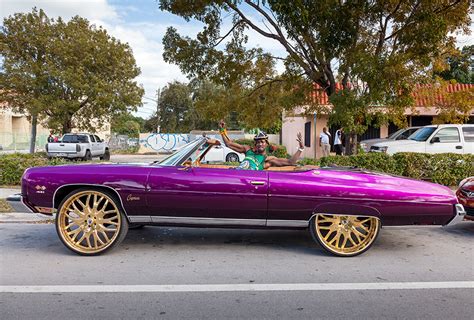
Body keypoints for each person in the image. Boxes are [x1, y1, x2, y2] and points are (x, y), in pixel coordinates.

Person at [218, 120, 304, 170]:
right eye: (258, 142)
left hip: (247, 184)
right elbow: (229, 144)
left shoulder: (267, 160)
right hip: (236, 176)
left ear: (267, 144)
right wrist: (222, 129)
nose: (260, 144)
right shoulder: (247, 150)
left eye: (262, 142)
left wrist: (300, 148)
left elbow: (290, 162)